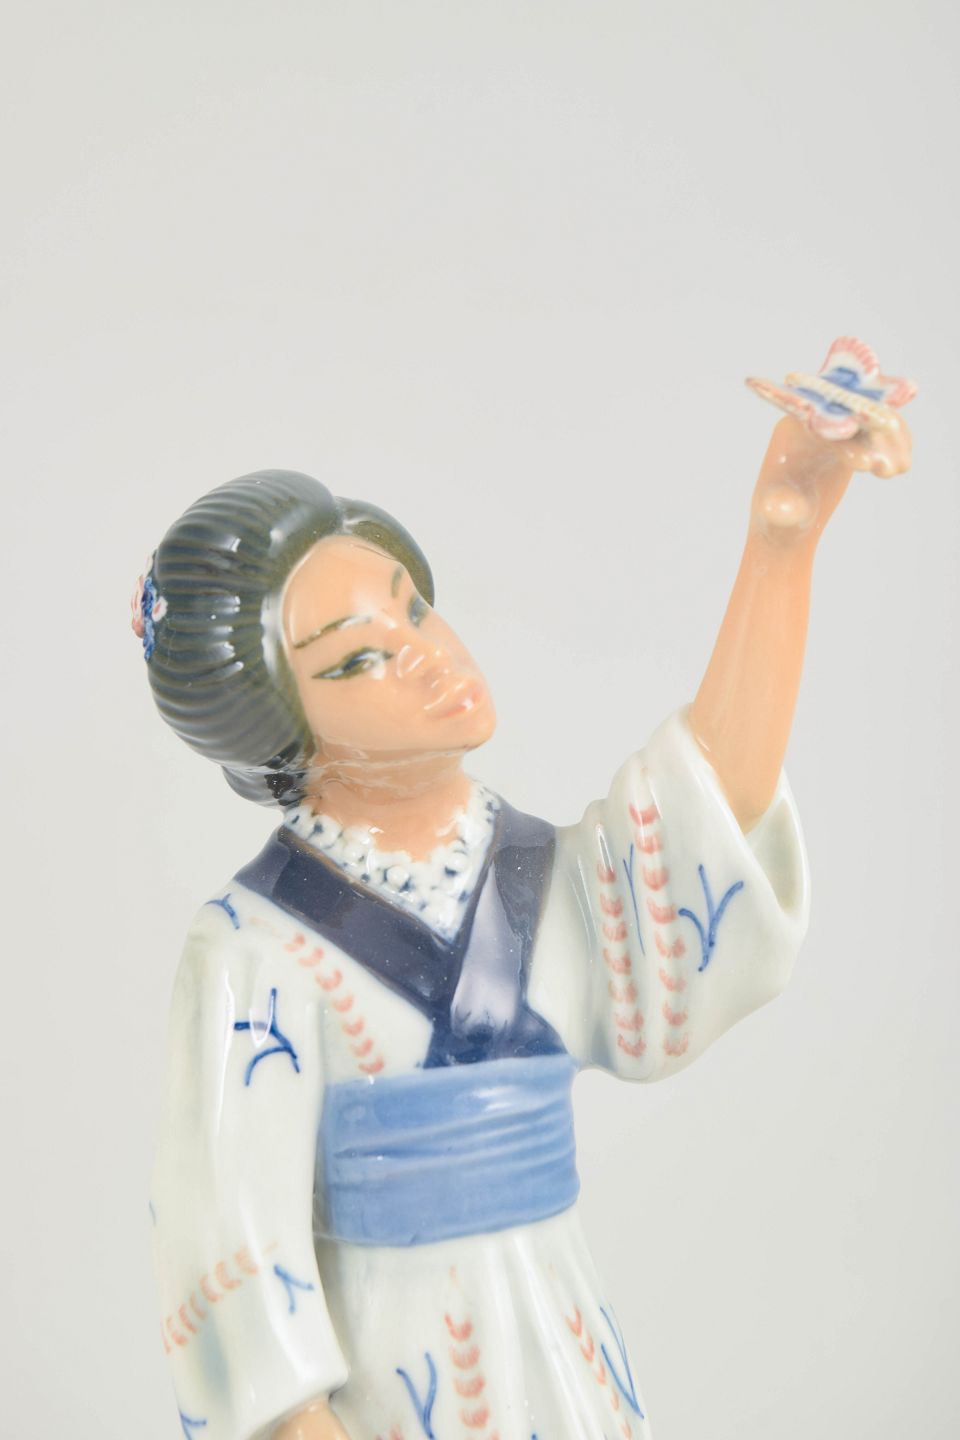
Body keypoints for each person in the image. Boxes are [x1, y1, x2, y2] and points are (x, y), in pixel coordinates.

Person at [135, 361, 912, 1440]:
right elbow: (225, 1233)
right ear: (283, 732)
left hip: (557, 1348)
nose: (428, 655)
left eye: (414, 608)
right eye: (360, 660)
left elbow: (705, 817)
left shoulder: (538, 879)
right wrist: (300, 1420)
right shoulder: (251, 945)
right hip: (386, 1379)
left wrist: (781, 542)